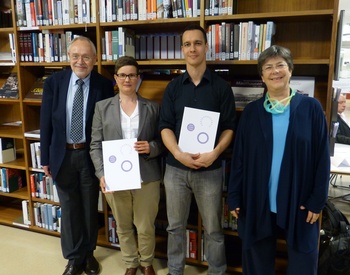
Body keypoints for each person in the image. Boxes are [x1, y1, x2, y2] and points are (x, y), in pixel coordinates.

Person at [227, 45, 330, 274]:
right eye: (268, 67)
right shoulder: (252, 112)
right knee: (256, 261)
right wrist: (234, 195)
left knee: (303, 261)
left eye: (281, 65)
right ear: (262, 75)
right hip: (258, 199)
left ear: (290, 70)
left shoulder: (311, 108)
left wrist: (317, 200)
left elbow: (322, 158)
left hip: (300, 200)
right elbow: (240, 157)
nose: (275, 71)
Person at [159, 25, 236, 275]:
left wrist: (214, 153)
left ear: (206, 47)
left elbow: (229, 128)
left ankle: (217, 271)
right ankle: (174, 271)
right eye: (187, 44)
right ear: (182, 49)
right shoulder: (173, 88)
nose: (192, 48)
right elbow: (165, 127)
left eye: (197, 43)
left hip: (210, 169)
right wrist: (179, 153)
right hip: (176, 170)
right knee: (175, 226)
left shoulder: (221, 87)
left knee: (213, 228)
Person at [40, 36, 114, 275]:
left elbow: (108, 124)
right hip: (63, 155)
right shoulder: (54, 83)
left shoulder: (104, 85)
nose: (80, 61)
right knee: (70, 208)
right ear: (68, 58)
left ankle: (89, 254)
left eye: (86, 57)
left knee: (90, 207)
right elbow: (45, 124)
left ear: (94, 59)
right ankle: (73, 258)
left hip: (91, 156)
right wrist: (45, 159)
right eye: (75, 56)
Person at [90, 56, 163, 275]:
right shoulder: (102, 108)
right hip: (115, 177)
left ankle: (147, 262)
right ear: (115, 78)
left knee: (145, 225)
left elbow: (163, 141)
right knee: (122, 225)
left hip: (147, 175)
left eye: (132, 75)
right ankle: (131, 263)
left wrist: (152, 147)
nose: (127, 79)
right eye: (122, 75)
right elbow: (95, 145)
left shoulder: (152, 108)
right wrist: (102, 174)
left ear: (138, 78)